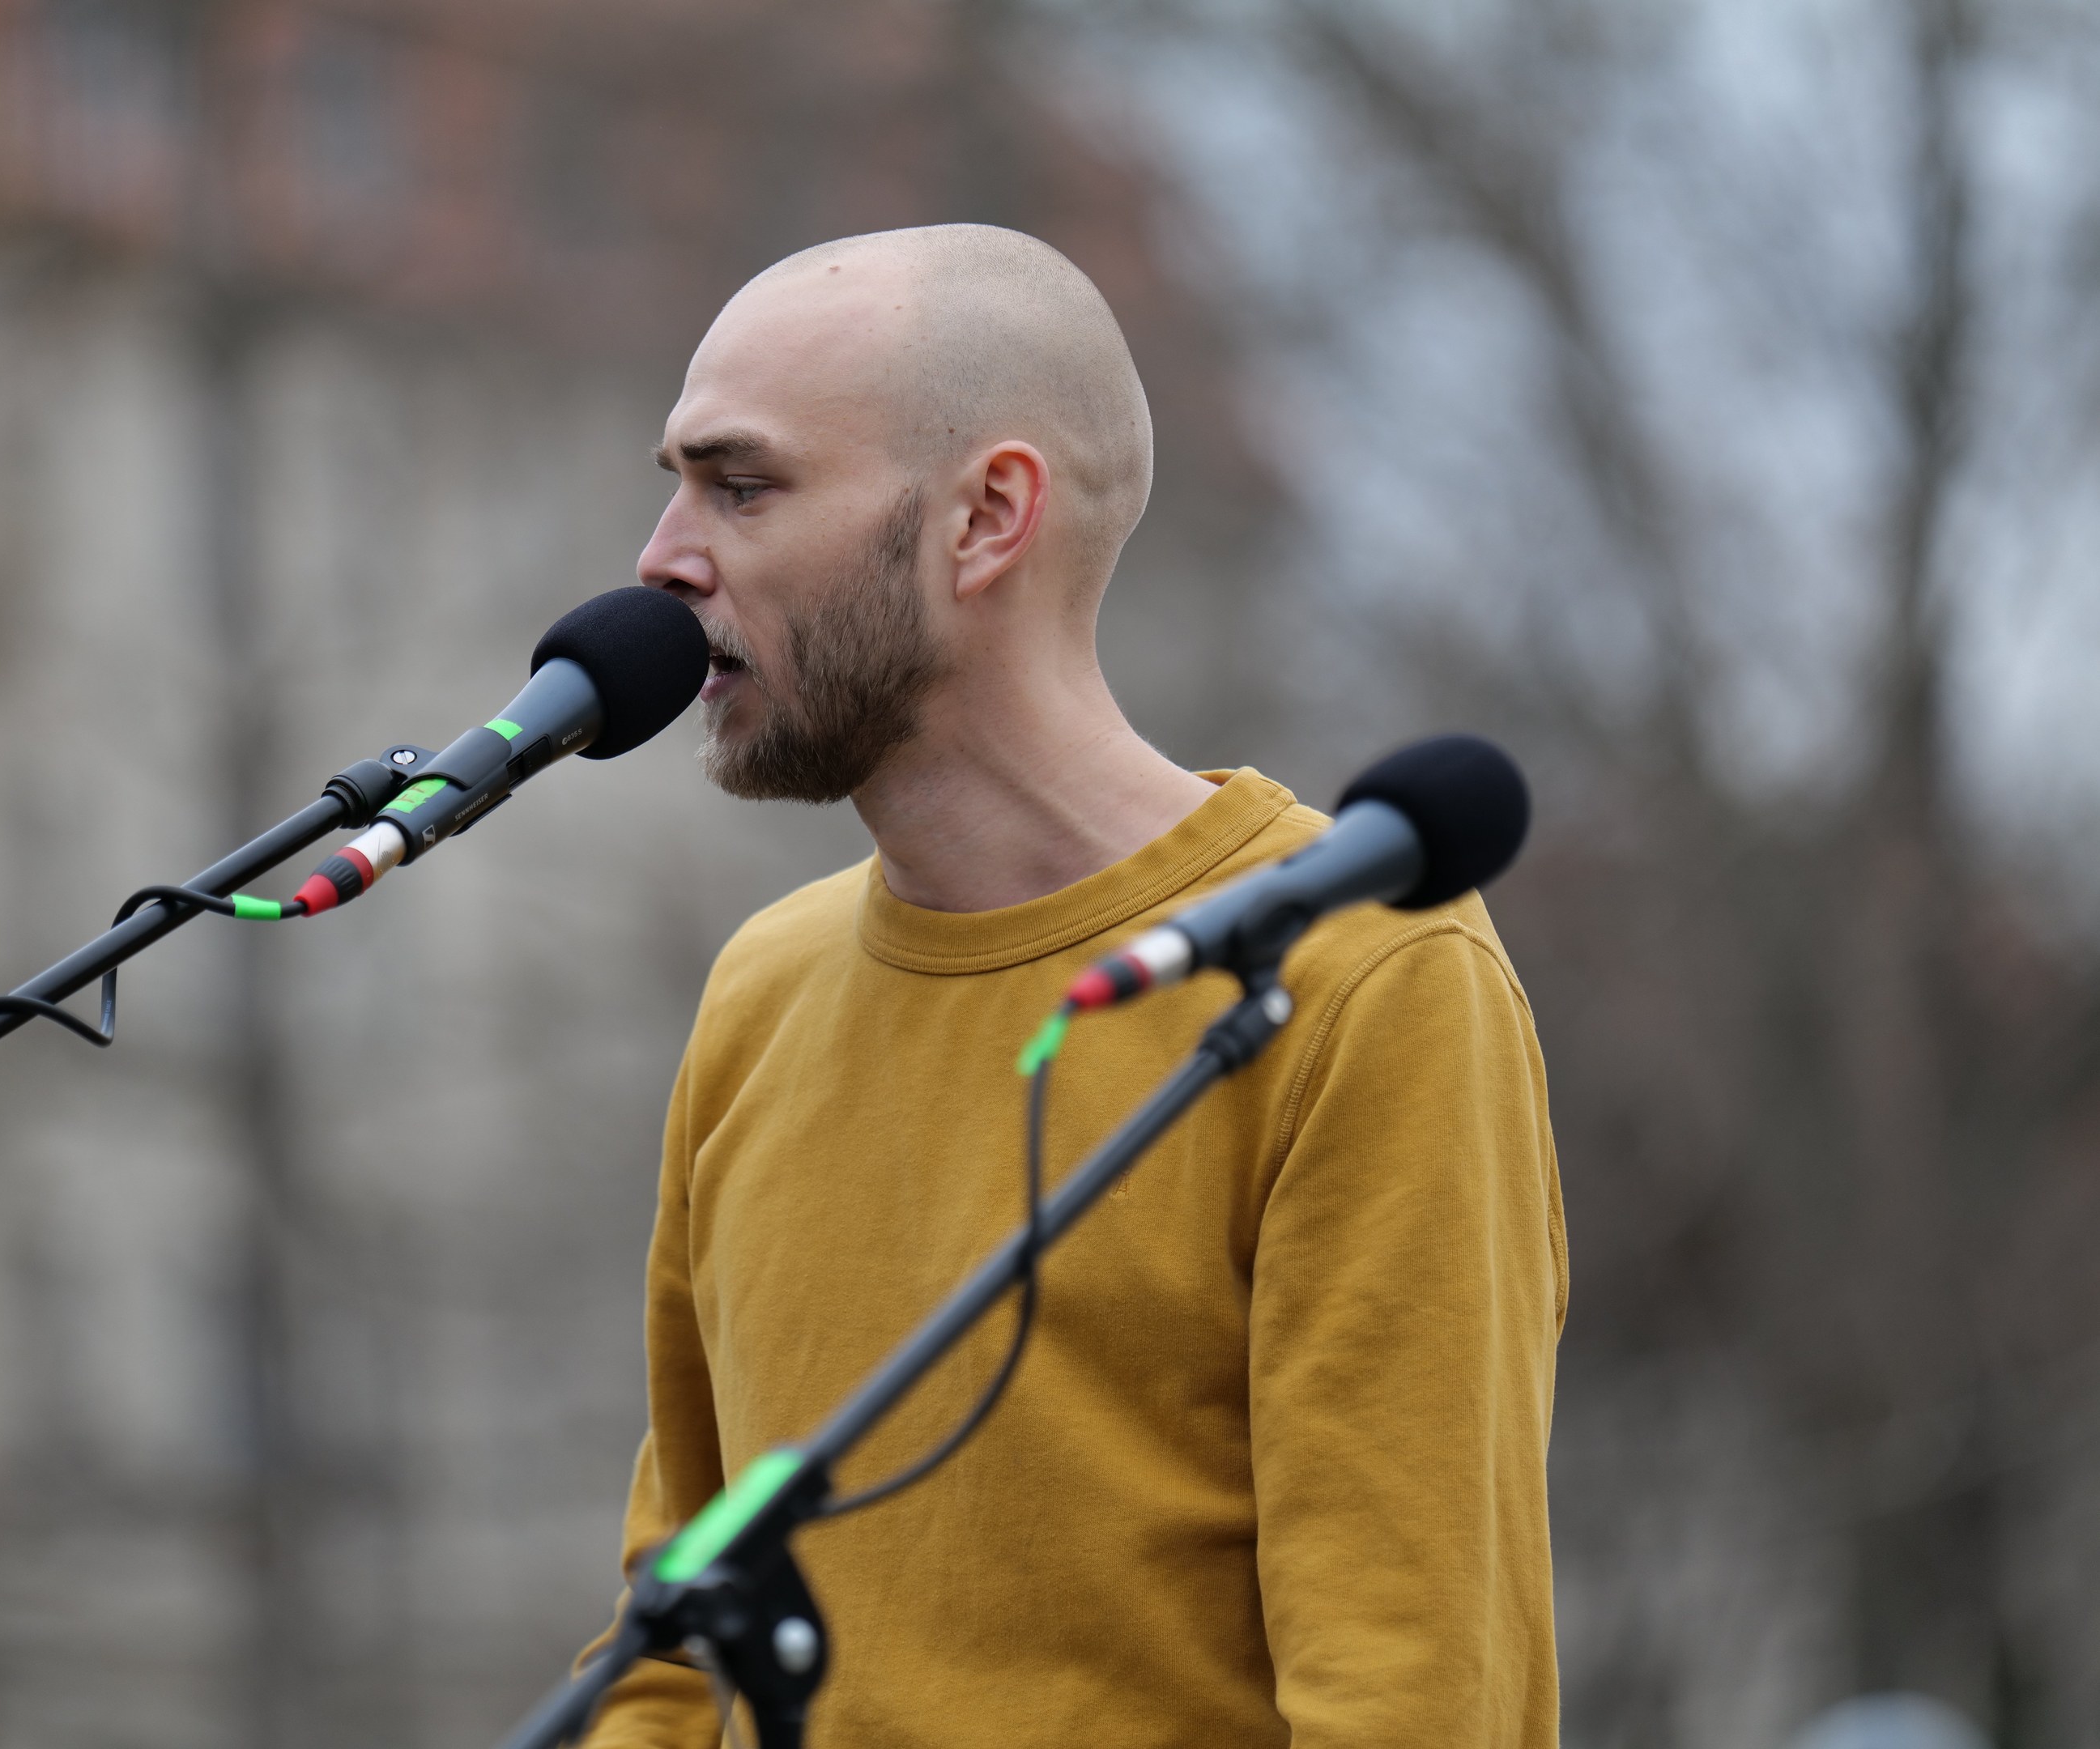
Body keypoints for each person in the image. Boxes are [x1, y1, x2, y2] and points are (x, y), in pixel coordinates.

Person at [583, 223, 1565, 1747]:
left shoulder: (1371, 980)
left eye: (743, 484)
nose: (662, 559)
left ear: (987, 517)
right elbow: (660, 1652)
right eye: (675, 484)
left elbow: (1413, 1697)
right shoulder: (761, 994)